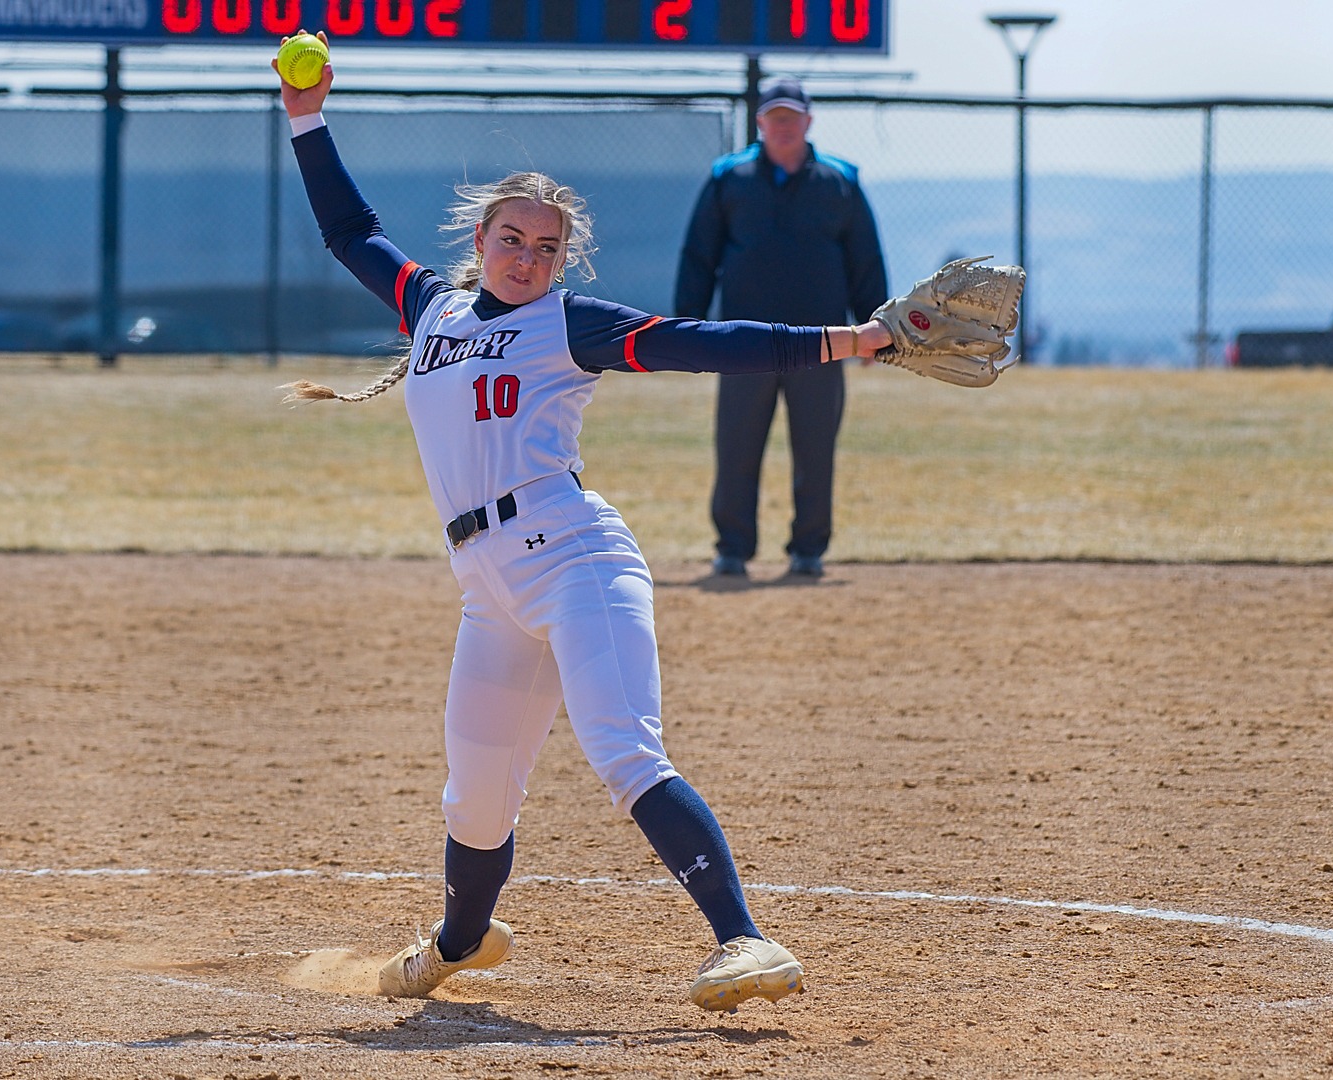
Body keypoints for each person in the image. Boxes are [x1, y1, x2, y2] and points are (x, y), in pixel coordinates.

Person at [272, 40, 895, 1013]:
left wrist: (847, 339)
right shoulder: (430, 310)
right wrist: (306, 113)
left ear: (564, 262)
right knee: (474, 797)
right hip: (487, 588)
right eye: (513, 240)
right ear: (479, 242)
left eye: (547, 247)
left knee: (624, 752)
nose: (529, 257)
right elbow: (350, 228)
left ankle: (744, 940)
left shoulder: (569, 323)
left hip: (577, 561)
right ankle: (458, 944)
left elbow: (705, 342)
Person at [675, 77, 889, 579]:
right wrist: (687, 328)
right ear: (760, 123)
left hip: (824, 342)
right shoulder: (729, 177)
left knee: (815, 449)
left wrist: (875, 326)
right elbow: (699, 256)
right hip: (744, 343)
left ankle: (808, 549)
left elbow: (865, 259)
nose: (784, 126)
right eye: (775, 118)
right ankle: (733, 547)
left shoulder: (840, 180)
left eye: (793, 117)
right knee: (736, 447)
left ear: (809, 122)